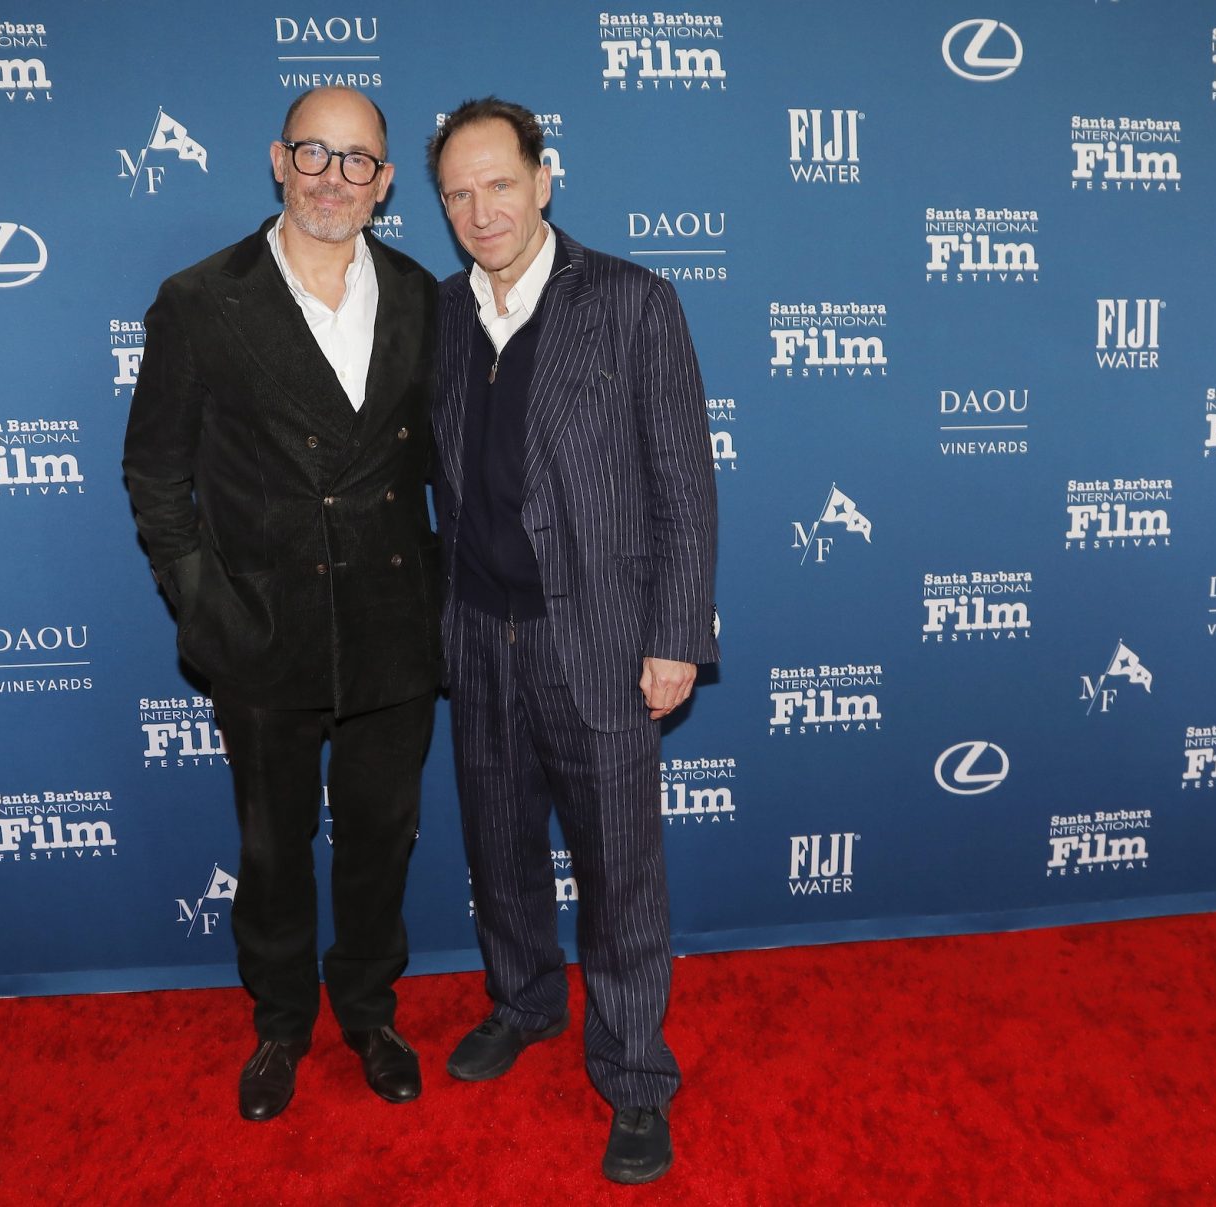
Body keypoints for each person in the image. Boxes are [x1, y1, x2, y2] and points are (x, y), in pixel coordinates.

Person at [122, 86, 441, 1123]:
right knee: (271, 845)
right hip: (261, 633)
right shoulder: (200, 298)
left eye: (357, 161)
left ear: (385, 183)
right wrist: (204, 603)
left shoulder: (421, 294)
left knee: (382, 834)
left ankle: (367, 1009)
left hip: (394, 626)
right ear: (276, 159)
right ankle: (281, 1023)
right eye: (314, 152)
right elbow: (155, 474)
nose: (332, 177)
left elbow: (452, 463)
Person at [426, 98, 719, 1184]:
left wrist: (677, 632)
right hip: (479, 629)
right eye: (458, 192)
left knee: (621, 875)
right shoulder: (445, 314)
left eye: (500, 183)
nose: (480, 209)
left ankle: (636, 1073)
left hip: (595, 636)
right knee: (498, 851)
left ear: (545, 181)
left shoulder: (634, 300)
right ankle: (523, 1002)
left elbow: (685, 484)